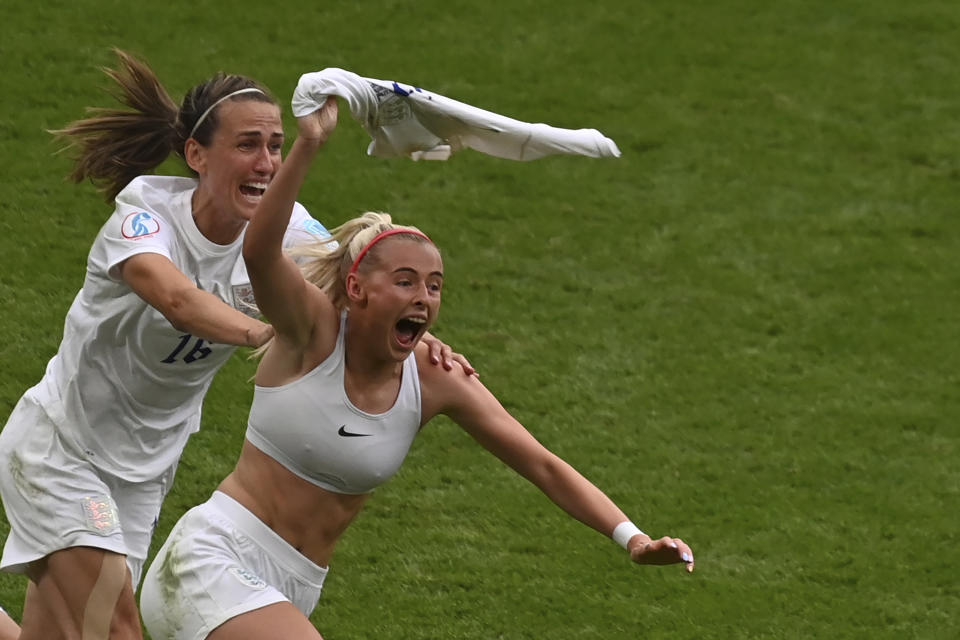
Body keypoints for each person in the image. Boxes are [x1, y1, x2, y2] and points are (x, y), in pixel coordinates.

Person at [139, 96, 695, 640]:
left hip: (294, 587)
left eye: (433, 286)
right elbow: (261, 254)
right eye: (404, 281)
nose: (423, 297)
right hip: (212, 560)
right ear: (356, 288)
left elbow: (542, 464)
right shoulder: (310, 331)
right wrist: (307, 144)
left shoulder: (435, 378)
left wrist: (632, 538)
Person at [0, 51, 466, 640]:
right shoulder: (143, 217)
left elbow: (359, 290)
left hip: (144, 473)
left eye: (275, 144)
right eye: (248, 144)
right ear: (196, 154)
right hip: (60, 451)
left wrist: (425, 335)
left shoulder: (289, 229)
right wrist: (262, 330)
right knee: (115, 630)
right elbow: (176, 299)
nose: (266, 162)